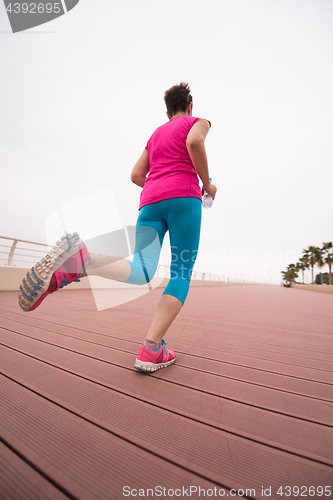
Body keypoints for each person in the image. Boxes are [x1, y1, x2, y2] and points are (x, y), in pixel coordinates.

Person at [18, 82, 217, 373]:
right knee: (181, 271)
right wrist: (207, 184)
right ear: (189, 106)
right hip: (184, 199)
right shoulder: (196, 122)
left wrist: (159, 182)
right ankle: (151, 349)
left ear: (166, 112)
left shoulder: (156, 134)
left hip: (150, 203)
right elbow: (195, 143)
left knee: (142, 269)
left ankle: (86, 259)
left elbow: (137, 175)